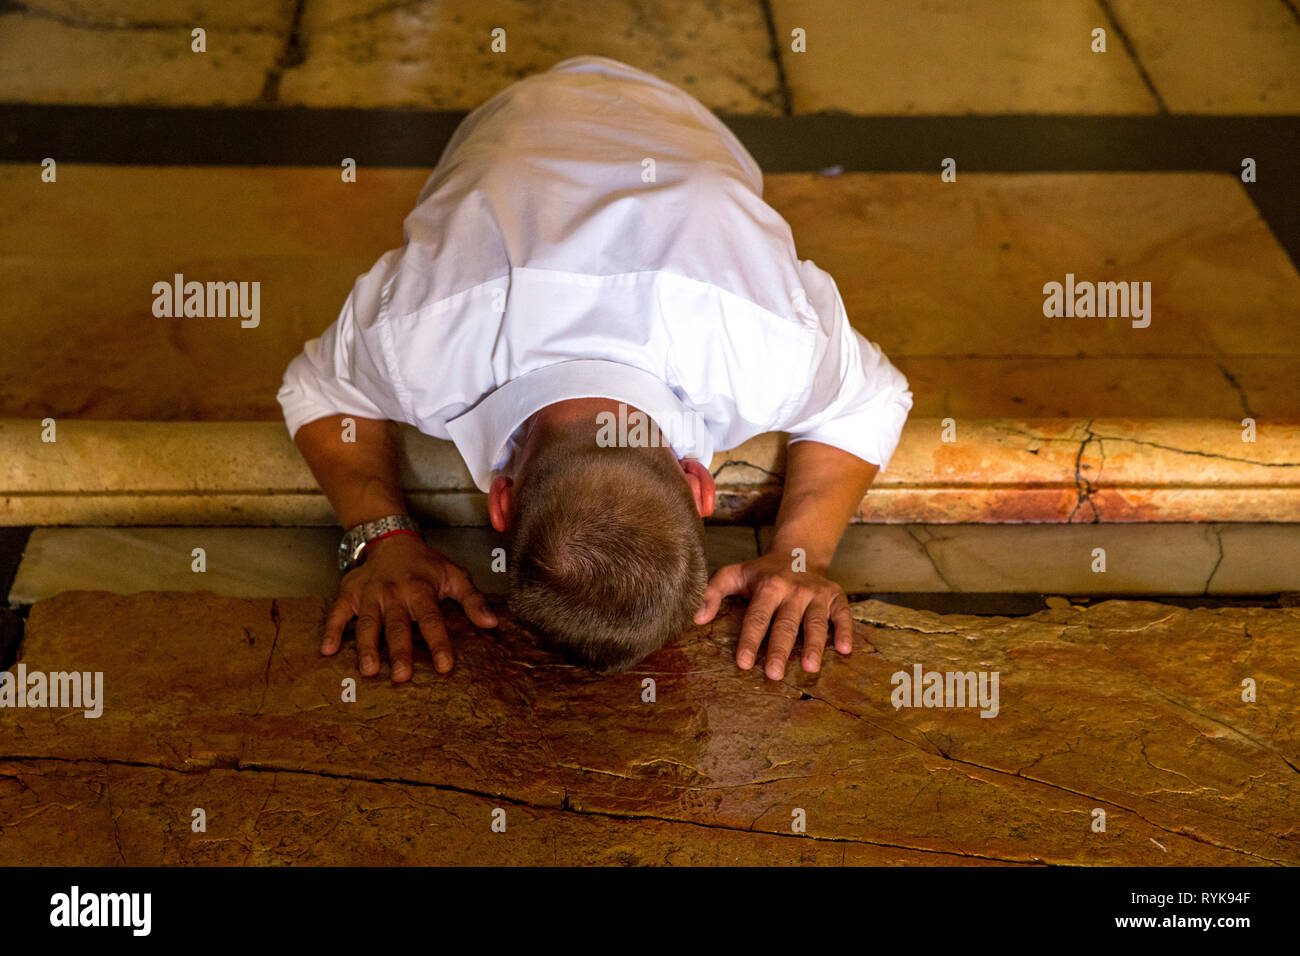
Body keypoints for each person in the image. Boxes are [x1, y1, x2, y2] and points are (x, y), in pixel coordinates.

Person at [278, 55, 912, 681]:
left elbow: (319, 392)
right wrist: (383, 540)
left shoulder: (767, 350)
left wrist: (386, 540)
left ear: (700, 490)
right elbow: (313, 391)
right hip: (565, 131)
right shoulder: (419, 343)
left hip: (596, 129)